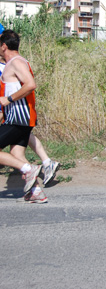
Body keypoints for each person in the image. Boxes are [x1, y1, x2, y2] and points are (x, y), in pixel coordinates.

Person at [0, 30, 46, 202]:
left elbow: (31, 84)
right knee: (17, 155)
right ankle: (36, 193)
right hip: (23, 118)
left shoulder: (16, 62)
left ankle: (28, 169)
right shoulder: (17, 61)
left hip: (18, 118)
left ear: (4, 46)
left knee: (21, 162)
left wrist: (8, 99)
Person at [0, 58, 59, 186]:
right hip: (19, 113)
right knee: (17, 152)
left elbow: (28, 85)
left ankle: (37, 166)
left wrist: (8, 101)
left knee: (18, 135)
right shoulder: (14, 63)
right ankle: (36, 189)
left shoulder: (8, 65)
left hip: (13, 112)